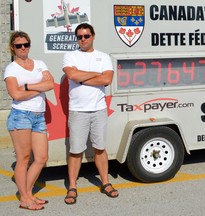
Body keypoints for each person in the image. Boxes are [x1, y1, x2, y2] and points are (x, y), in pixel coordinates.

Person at [62, 23, 119, 205]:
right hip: (78, 111)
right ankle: (72, 187)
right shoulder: (71, 55)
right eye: (79, 37)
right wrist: (95, 75)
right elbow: (71, 75)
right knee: (76, 151)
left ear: (93, 36)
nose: (83, 39)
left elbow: (107, 79)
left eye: (86, 36)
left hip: (98, 110)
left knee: (100, 148)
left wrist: (82, 78)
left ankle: (106, 183)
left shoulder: (103, 57)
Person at [4, 31, 54, 210]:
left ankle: (28, 193)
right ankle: (24, 199)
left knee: (41, 158)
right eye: (19, 46)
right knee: (24, 158)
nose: (23, 48)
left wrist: (27, 86)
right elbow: (15, 94)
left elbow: (50, 84)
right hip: (21, 115)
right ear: (13, 48)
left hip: (38, 116)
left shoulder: (39, 64)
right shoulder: (11, 69)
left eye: (26, 44)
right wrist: (39, 89)